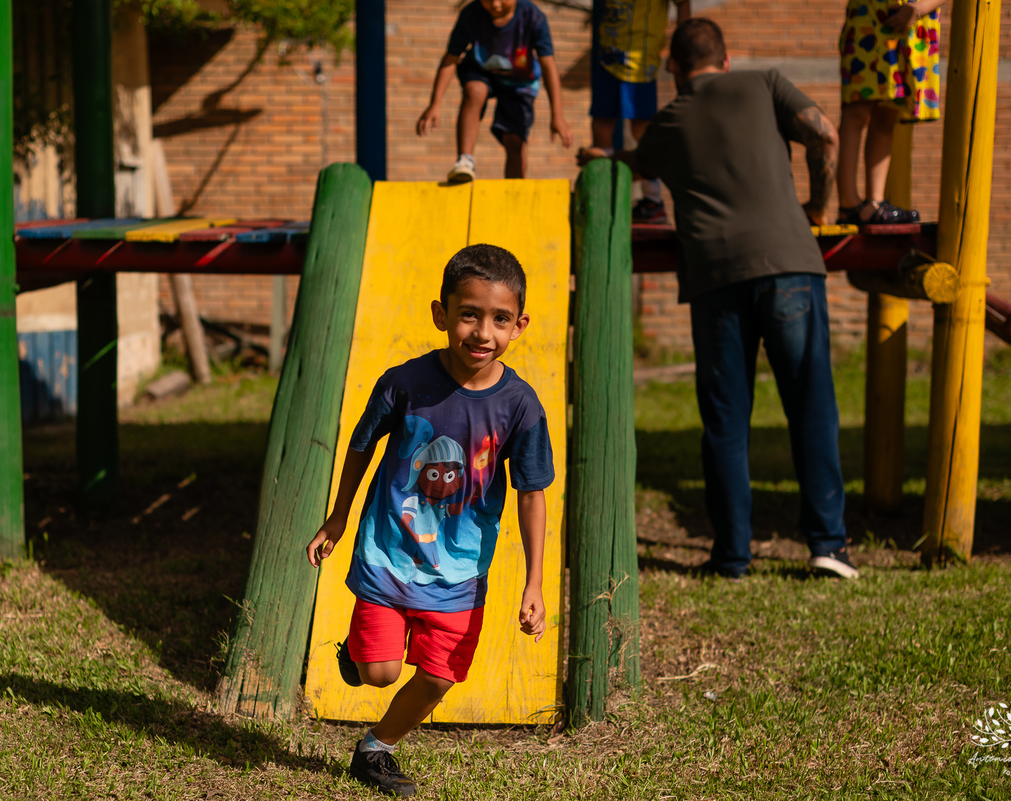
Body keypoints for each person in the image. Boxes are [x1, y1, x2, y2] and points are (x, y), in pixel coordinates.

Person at [577, 18, 859, 581]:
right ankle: (828, 545)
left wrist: (600, 154)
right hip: (789, 269)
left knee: (727, 422)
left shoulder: (668, 122)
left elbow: (635, 163)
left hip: (715, 279)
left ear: (672, 69)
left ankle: (732, 555)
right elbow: (825, 135)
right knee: (811, 407)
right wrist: (821, 209)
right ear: (726, 61)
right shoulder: (766, 83)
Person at [306, 244, 554, 797]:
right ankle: (359, 650)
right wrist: (338, 517)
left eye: (499, 319)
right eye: (469, 314)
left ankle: (376, 749)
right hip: (389, 552)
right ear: (441, 313)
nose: (482, 332)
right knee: (380, 673)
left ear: (520, 325)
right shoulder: (404, 383)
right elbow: (360, 447)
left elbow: (532, 494)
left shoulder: (520, 405)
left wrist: (535, 581)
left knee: (440, 675)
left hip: (460, 569)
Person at [417, 0, 573, 183]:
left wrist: (558, 115)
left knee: (515, 139)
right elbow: (451, 58)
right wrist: (435, 104)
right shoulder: (471, 14)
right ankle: (465, 160)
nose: (495, 5)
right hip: (482, 71)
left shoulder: (533, 17)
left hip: (519, 80)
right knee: (475, 91)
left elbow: (548, 65)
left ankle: (515, 186)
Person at [836, 0, 946, 224]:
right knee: (857, 108)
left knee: (888, 112)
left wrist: (919, 7)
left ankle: (874, 202)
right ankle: (848, 204)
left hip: (913, 23)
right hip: (871, 15)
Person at [591, 0, 692, 223]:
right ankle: (603, 195)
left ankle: (653, 201)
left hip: (640, 63)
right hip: (607, 56)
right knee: (601, 123)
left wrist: (682, 50)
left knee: (642, 130)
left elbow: (683, 3)